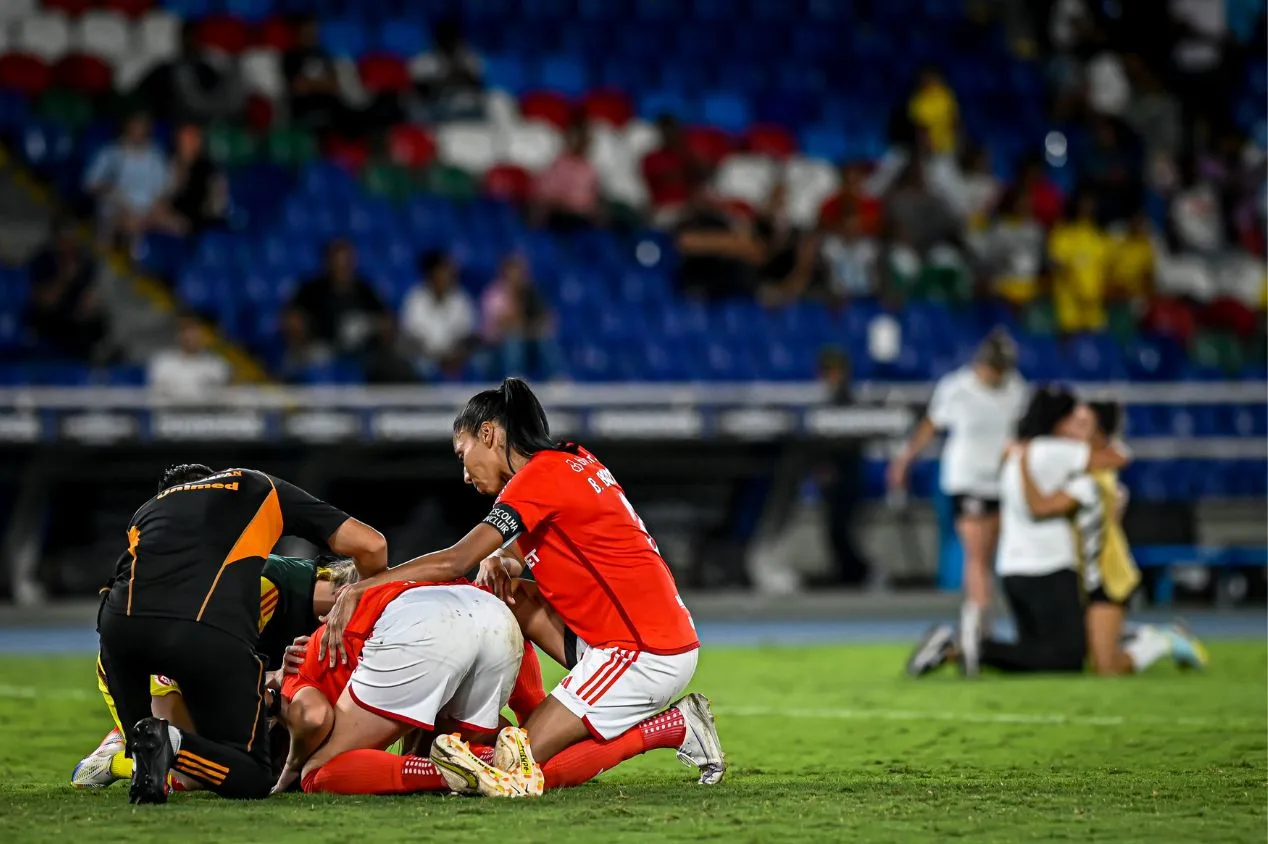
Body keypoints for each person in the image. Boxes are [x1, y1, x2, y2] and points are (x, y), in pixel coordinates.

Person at [317, 378, 725, 797]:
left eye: (464, 454)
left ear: (489, 433)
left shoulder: (536, 480)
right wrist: (504, 558)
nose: (464, 474)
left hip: (640, 652)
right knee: (503, 595)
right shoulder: (571, 459)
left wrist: (364, 588)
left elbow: (457, 559)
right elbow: (565, 537)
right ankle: (520, 717)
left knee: (516, 770)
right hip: (627, 636)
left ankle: (671, 727)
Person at [96, 463, 386, 802]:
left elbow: (115, 586)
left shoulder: (148, 511)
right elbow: (372, 545)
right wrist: (359, 607)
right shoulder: (256, 488)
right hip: (197, 637)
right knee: (234, 774)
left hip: (119, 634)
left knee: (154, 753)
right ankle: (126, 755)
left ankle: (146, 749)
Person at [73, 554, 360, 790]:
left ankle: (140, 734)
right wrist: (272, 689)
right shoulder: (262, 590)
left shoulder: (319, 589)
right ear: (347, 595)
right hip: (154, 666)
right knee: (195, 776)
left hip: (193, 660)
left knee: (272, 761)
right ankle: (111, 761)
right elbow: (211, 669)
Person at [278, 578, 534, 797]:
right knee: (434, 747)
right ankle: (494, 758)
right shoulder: (386, 592)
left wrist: (293, 765)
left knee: (316, 774)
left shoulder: (293, 670)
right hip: (496, 617)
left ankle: (442, 771)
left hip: (422, 628)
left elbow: (313, 718)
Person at [1015, 400, 1207, 676]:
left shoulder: (1093, 475)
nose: (1070, 429)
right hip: (1079, 571)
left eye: (1082, 425)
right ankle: (1133, 634)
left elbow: (1045, 506)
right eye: (1071, 422)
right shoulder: (1076, 467)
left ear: (1099, 435)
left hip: (1106, 574)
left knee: (1105, 667)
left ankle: (1163, 641)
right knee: (1082, 652)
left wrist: (1022, 461)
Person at [887, 330, 1028, 675]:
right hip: (967, 479)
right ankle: (976, 623)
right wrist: (906, 459)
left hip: (1001, 480)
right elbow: (931, 426)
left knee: (990, 556)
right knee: (976, 553)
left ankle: (981, 626)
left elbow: (1023, 432)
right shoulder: (956, 388)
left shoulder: (1016, 388)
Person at [83, 113, 174, 249]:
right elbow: (89, 183)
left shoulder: (155, 155)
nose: (138, 130)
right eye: (135, 125)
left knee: (177, 225)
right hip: (117, 209)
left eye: (142, 126)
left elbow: (165, 188)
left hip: (149, 211)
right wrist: (111, 190)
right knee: (131, 225)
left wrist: (157, 208)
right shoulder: (110, 153)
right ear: (127, 126)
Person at [288, 239, 390, 357]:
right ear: (328, 264)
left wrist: (369, 325)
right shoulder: (312, 290)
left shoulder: (365, 289)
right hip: (323, 350)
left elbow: (386, 320)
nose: (343, 269)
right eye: (338, 264)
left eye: (347, 264)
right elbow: (292, 318)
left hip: (362, 353)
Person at [25, 219, 108, 361]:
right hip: (49, 318)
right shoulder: (42, 260)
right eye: (64, 238)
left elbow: (91, 296)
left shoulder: (85, 260)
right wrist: (64, 278)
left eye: (71, 238)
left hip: (76, 319)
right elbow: (45, 301)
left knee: (97, 324)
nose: (68, 244)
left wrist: (89, 304)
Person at [480, 254, 567, 380]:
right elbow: (502, 324)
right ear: (504, 272)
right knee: (513, 336)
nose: (518, 275)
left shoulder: (531, 292)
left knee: (544, 336)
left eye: (520, 271)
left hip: (528, 341)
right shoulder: (493, 294)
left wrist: (537, 324)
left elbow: (549, 319)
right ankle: (514, 379)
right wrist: (519, 306)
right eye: (513, 271)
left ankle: (556, 377)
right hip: (496, 348)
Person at [399, 250, 476, 379]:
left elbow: (467, 334)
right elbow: (410, 336)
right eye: (442, 271)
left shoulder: (461, 299)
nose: (447, 276)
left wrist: (454, 353)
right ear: (431, 274)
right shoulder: (415, 299)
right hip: (424, 357)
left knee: (478, 361)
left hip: (454, 356)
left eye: (448, 271)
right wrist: (435, 356)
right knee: (421, 366)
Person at [1048, 193, 1111, 334]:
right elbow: (1055, 262)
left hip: (1093, 307)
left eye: (1090, 207)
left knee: (1095, 351)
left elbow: (1107, 270)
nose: (1087, 210)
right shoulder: (1063, 234)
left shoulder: (1099, 237)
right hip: (1069, 305)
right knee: (1067, 348)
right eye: (1083, 206)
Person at [408, 17, 485, 123]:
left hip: (466, 106)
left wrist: (458, 70)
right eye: (445, 39)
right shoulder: (424, 62)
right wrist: (444, 79)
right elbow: (419, 91)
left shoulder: (468, 58)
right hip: (435, 108)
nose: (449, 43)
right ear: (438, 40)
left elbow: (478, 85)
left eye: (452, 39)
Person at [147, 311, 231, 403]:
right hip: (173, 416)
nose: (190, 336)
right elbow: (159, 398)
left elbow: (224, 399)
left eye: (194, 331)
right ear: (178, 334)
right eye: (185, 331)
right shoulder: (162, 363)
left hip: (205, 415)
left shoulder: (217, 365)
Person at [532, 122, 602, 231]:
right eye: (577, 138)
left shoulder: (589, 168)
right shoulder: (559, 164)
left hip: (584, 217)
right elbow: (546, 195)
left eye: (584, 139)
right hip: (562, 216)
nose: (580, 143)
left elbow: (593, 197)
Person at [167, 124, 227, 235]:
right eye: (185, 140)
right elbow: (163, 200)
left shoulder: (208, 170)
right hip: (174, 223)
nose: (190, 144)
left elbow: (216, 208)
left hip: (201, 225)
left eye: (194, 139)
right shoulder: (168, 166)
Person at [907, 66, 959, 156]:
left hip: (949, 146)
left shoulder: (945, 94)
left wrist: (957, 142)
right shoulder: (917, 102)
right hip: (930, 149)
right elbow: (920, 131)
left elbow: (954, 119)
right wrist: (928, 148)